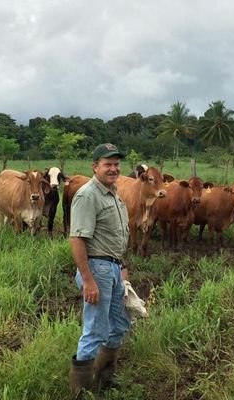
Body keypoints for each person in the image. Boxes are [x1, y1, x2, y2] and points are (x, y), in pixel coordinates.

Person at [69, 143, 131, 397]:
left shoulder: (113, 193)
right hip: (97, 268)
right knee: (95, 329)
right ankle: (81, 391)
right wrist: (88, 279)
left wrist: (122, 268)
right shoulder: (87, 195)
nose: (113, 168)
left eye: (116, 164)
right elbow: (77, 239)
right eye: (108, 164)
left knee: (119, 325)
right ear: (95, 167)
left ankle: (105, 378)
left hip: (114, 268)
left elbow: (115, 236)